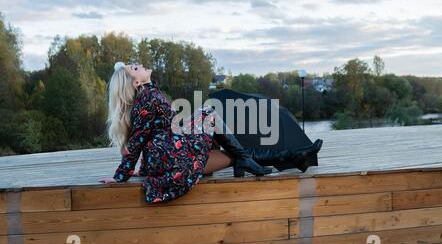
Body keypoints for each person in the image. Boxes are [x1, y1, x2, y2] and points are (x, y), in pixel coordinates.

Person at [99, 62, 321, 204]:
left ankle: (294, 156)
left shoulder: (150, 94)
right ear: (137, 81)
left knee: (228, 145)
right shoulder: (147, 98)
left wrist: (144, 169)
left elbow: (151, 137)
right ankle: (293, 156)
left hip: (172, 155)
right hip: (174, 160)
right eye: (134, 68)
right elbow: (138, 140)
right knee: (219, 131)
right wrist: (121, 175)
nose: (139, 65)